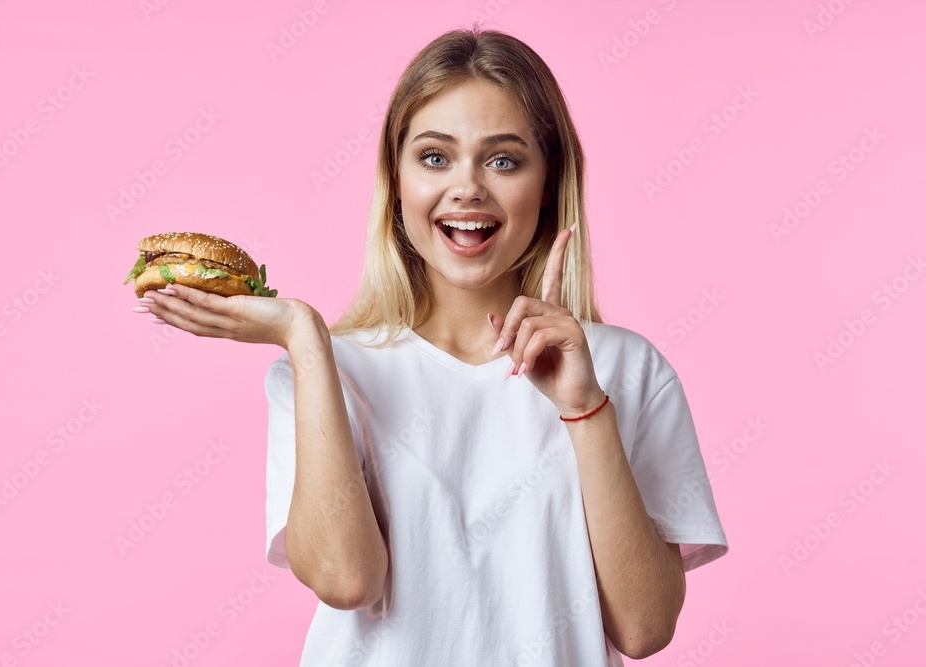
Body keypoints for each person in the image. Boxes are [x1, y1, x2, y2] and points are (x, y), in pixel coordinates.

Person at [137, 27, 728, 666]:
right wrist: (305, 339)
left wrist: (583, 408)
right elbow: (345, 579)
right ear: (397, 183)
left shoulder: (627, 370)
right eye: (435, 157)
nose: (467, 187)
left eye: (503, 159)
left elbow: (644, 629)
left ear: (550, 181)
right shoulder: (322, 371)